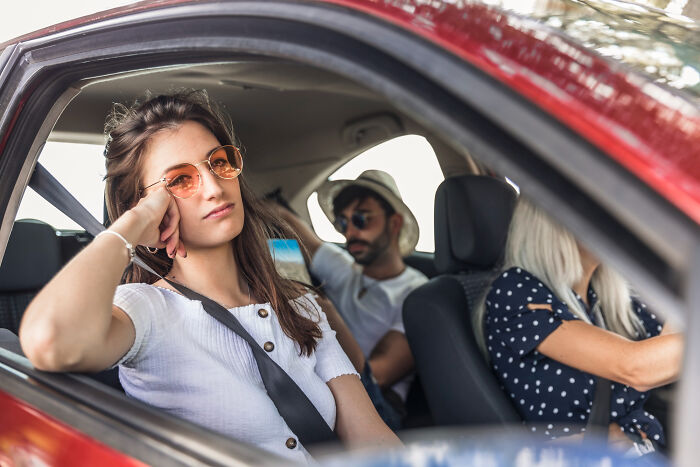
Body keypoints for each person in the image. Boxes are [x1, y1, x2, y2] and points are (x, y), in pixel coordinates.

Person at [18, 90, 400, 463]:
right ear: (150, 203)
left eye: (219, 162)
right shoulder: (146, 309)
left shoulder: (301, 307)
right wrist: (134, 223)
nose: (215, 188)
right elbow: (51, 341)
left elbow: (375, 445)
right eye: (180, 180)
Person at [474, 199, 683, 455]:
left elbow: (669, 347)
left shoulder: (605, 296)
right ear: (556, 222)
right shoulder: (516, 291)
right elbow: (636, 367)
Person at [277, 170, 428, 429]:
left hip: (378, 407)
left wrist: (320, 309)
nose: (351, 233)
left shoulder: (416, 294)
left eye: (361, 219)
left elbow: (376, 376)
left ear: (394, 224)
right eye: (343, 223)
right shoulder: (346, 269)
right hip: (319, 384)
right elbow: (290, 227)